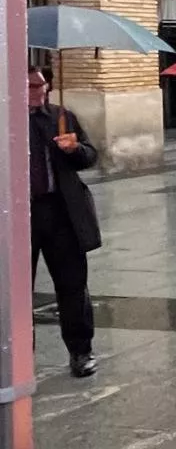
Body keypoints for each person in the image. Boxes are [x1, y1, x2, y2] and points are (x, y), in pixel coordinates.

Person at [27, 66, 101, 378]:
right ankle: (19, 358)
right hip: (21, 215)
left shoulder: (62, 116)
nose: (37, 92)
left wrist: (75, 149)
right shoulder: (6, 120)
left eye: (41, 86)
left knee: (72, 284)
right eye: (31, 86)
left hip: (61, 211)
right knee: (16, 290)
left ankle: (81, 351)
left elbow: (90, 155)